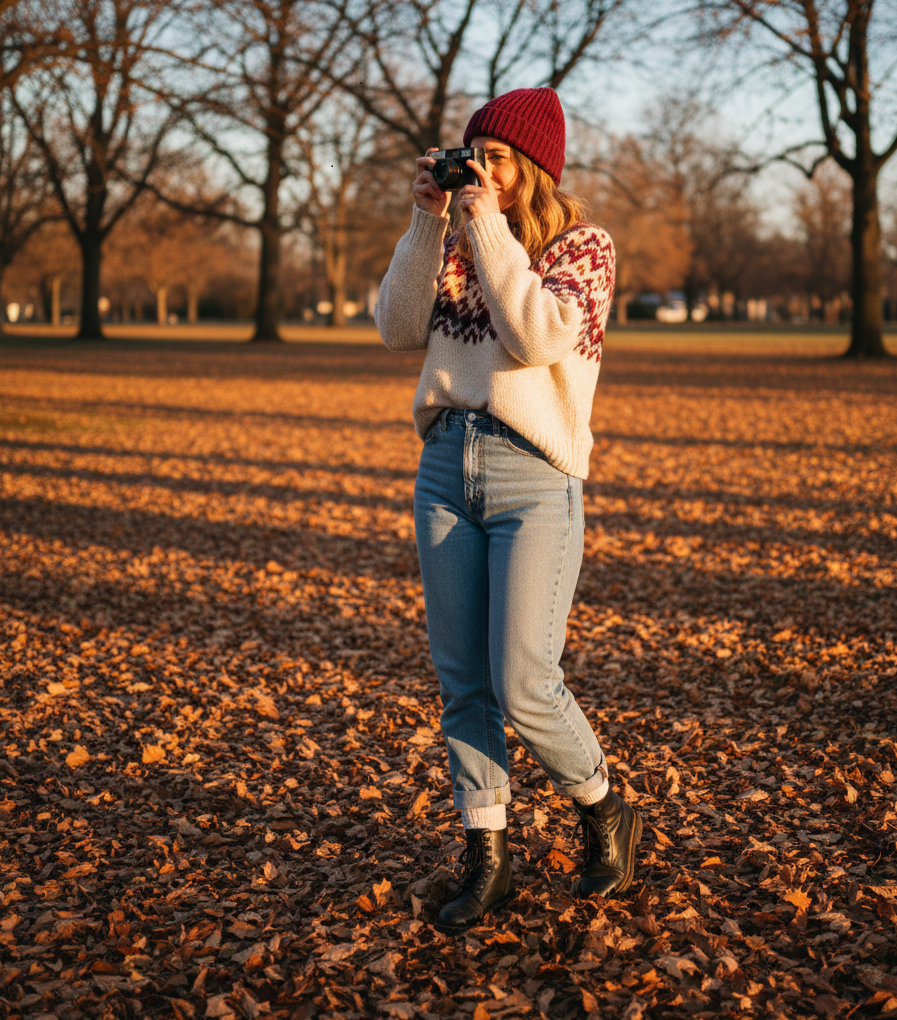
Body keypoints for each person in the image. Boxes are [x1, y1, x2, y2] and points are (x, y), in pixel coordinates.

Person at [374, 87, 642, 934]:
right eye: (471, 157)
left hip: (534, 476)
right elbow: (394, 327)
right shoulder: (454, 237)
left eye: (496, 160)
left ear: (532, 168)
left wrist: (483, 226)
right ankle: (487, 857)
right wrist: (427, 222)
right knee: (462, 685)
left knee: (523, 682)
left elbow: (534, 336)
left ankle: (602, 806)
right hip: (446, 464)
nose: (479, 173)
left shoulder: (583, 248)